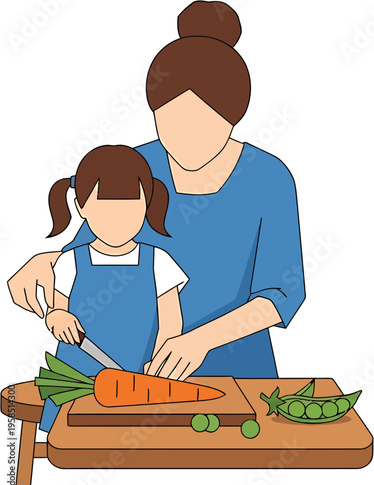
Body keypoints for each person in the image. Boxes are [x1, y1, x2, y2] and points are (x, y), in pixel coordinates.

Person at [8, 1, 305, 382]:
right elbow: (96, 249)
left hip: (238, 372)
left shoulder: (267, 177)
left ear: (234, 116)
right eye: (170, 123)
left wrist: (199, 340)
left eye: (203, 125)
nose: (184, 143)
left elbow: (282, 294)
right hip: (127, 371)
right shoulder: (135, 166)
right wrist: (47, 261)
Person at [39, 145, 188, 432]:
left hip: (138, 381)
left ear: (147, 207)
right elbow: (57, 309)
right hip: (76, 379)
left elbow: (171, 325)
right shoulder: (70, 261)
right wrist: (56, 317)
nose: (118, 219)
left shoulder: (160, 262)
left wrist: (157, 372)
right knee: (70, 442)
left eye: (131, 207)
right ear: (81, 207)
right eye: (107, 207)